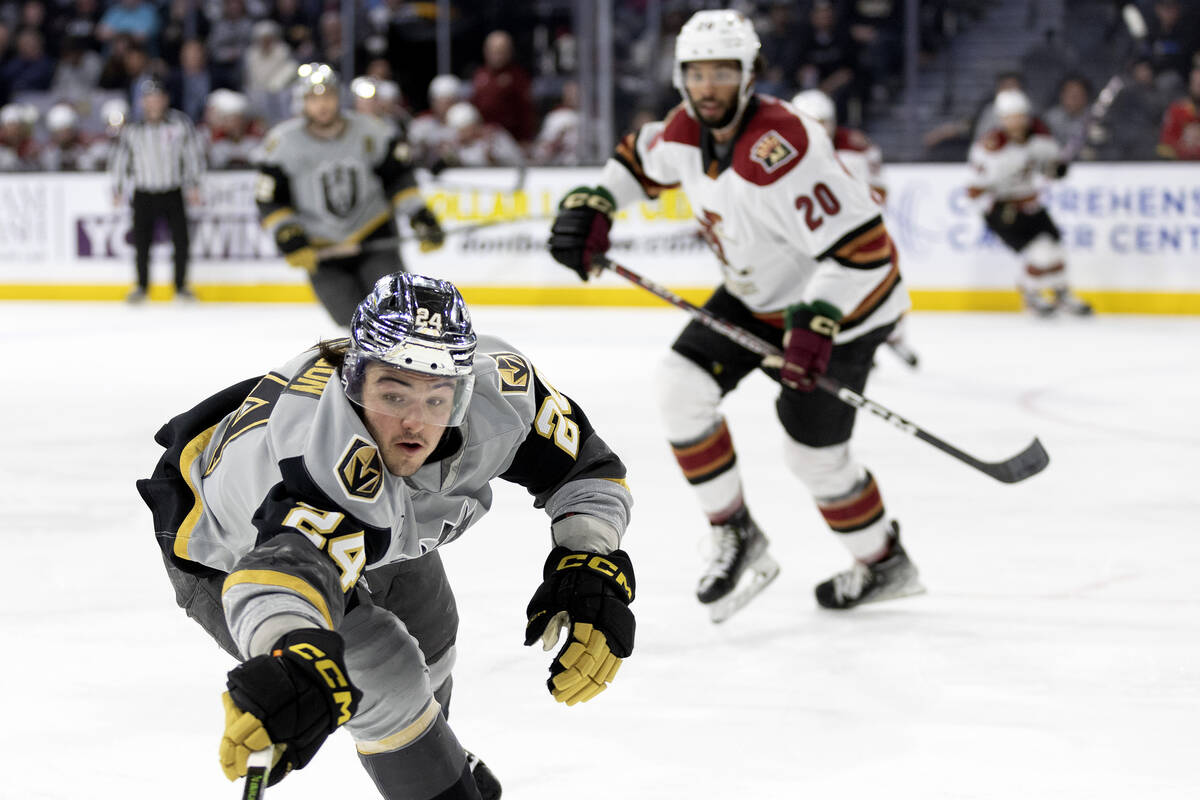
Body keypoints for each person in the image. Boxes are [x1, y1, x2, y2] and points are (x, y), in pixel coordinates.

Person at [136, 272, 636, 799]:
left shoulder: (505, 394)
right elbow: (279, 575)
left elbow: (586, 469)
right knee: (386, 673)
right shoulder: (325, 463)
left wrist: (587, 560)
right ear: (354, 379)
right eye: (393, 395)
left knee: (433, 629)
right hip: (228, 540)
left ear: (466, 389)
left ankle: (427, 754)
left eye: (436, 400)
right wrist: (293, 651)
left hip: (364, 518)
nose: (414, 426)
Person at [548, 9, 920, 618]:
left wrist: (818, 318)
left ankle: (884, 563)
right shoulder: (684, 132)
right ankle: (737, 532)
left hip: (843, 309)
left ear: (751, 75)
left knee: (814, 459)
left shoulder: (783, 148)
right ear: (680, 77)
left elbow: (867, 253)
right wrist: (593, 205)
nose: (709, 86)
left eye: (724, 72)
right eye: (697, 73)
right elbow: (635, 159)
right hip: (755, 301)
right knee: (678, 386)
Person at [256, 63, 445, 325]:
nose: (322, 105)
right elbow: (269, 198)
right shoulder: (282, 144)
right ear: (302, 102)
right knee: (351, 322)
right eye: (314, 98)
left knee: (399, 313)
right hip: (322, 248)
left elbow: (397, 178)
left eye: (328, 96)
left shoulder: (371, 131)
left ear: (339, 96)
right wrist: (288, 234)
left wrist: (419, 214)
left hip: (373, 232)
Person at [966, 88, 1093, 316]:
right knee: (1040, 253)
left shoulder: (1040, 138)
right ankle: (1031, 294)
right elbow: (974, 190)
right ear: (1001, 119)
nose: (1016, 122)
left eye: (1020, 116)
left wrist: (1057, 169)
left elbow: (1052, 168)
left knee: (1057, 250)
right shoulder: (990, 147)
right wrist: (998, 178)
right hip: (1004, 210)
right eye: (1010, 117)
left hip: (1032, 206)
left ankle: (1061, 293)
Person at [108, 77, 205, 302]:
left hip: (172, 190)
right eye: (149, 98)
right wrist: (118, 188)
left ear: (165, 100)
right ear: (142, 102)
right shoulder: (132, 129)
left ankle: (180, 286)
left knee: (181, 242)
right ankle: (142, 286)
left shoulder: (180, 124)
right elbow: (120, 161)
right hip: (144, 193)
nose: (153, 103)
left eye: (158, 97)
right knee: (142, 243)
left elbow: (191, 157)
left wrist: (194, 185)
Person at [1158, 64, 1200, 160]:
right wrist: (1183, 143)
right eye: (1197, 84)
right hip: (1181, 167)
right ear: (1190, 84)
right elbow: (1165, 143)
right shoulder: (1177, 110)